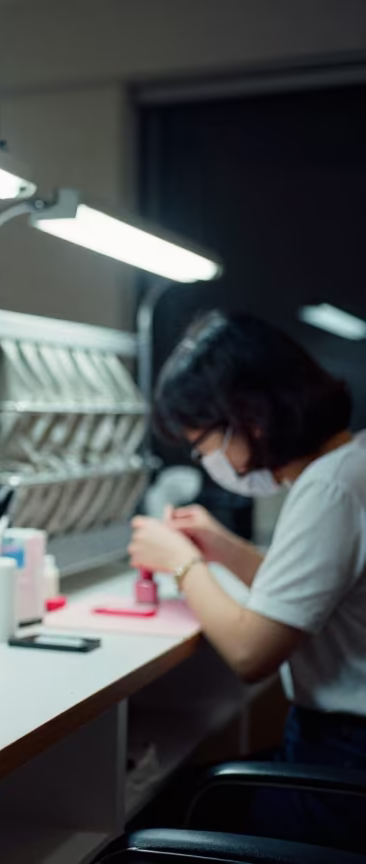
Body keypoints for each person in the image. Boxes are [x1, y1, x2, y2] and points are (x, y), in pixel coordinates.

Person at [130, 311, 365, 848]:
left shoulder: (328, 490)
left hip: (344, 758)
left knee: (169, 808)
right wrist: (226, 551)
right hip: (342, 749)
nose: (205, 459)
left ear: (250, 419)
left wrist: (181, 563)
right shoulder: (351, 464)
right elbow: (313, 594)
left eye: (204, 444)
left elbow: (250, 650)